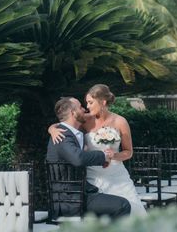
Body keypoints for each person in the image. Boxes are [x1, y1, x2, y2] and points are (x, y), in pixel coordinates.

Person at [49, 84, 147, 215]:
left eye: (90, 102)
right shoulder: (85, 120)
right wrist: (51, 129)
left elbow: (128, 152)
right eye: (85, 103)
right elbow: (66, 124)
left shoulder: (120, 121)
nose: (87, 107)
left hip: (116, 176)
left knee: (131, 210)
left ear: (102, 102)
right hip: (91, 178)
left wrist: (115, 155)